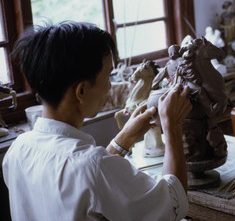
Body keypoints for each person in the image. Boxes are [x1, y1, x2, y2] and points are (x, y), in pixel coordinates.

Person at [2, 22, 192, 221]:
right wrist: (172, 125)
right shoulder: (92, 167)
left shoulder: (18, 150)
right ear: (81, 90)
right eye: (108, 76)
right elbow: (173, 203)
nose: (110, 87)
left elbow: (81, 187)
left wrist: (125, 138)